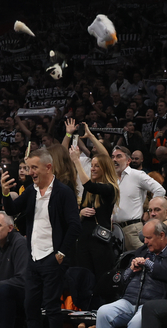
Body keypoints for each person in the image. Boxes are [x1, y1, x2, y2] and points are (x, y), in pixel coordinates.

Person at [0, 150, 81, 328]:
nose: (30, 172)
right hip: (33, 257)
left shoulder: (64, 192)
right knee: (30, 306)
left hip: (53, 257)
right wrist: (6, 193)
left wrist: (61, 253)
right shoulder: (31, 191)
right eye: (28, 168)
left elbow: (74, 225)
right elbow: (12, 210)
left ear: (48, 167)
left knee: (52, 307)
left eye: (34, 167)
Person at [70, 124, 120, 307]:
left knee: (100, 280)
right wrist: (81, 212)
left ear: (105, 168)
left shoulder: (110, 188)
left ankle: (102, 310)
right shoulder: (88, 191)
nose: (93, 168)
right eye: (92, 165)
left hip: (100, 242)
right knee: (84, 278)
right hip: (84, 239)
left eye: (97, 166)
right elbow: (82, 206)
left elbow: (90, 185)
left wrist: (77, 161)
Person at [111, 143, 165, 250]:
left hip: (133, 229)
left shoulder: (137, 175)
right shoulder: (111, 178)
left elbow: (160, 190)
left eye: (119, 156)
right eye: (112, 157)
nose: (114, 159)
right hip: (114, 230)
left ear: (128, 160)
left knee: (142, 260)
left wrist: (150, 212)